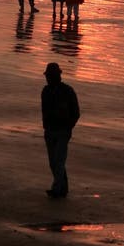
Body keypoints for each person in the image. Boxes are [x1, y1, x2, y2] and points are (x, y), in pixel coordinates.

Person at [41, 62, 80, 198]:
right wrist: (46, 127)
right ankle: (63, 187)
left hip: (62, 131)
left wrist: (69, 126)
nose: (48, 78)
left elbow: (76, 112)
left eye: (50, 76)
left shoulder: (67, 91)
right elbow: (45, 111)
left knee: (59, 160)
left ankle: (57, 189)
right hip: (50, 131)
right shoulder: (46, 91)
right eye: (48, 76)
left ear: (58, 76)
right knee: (54, 162)